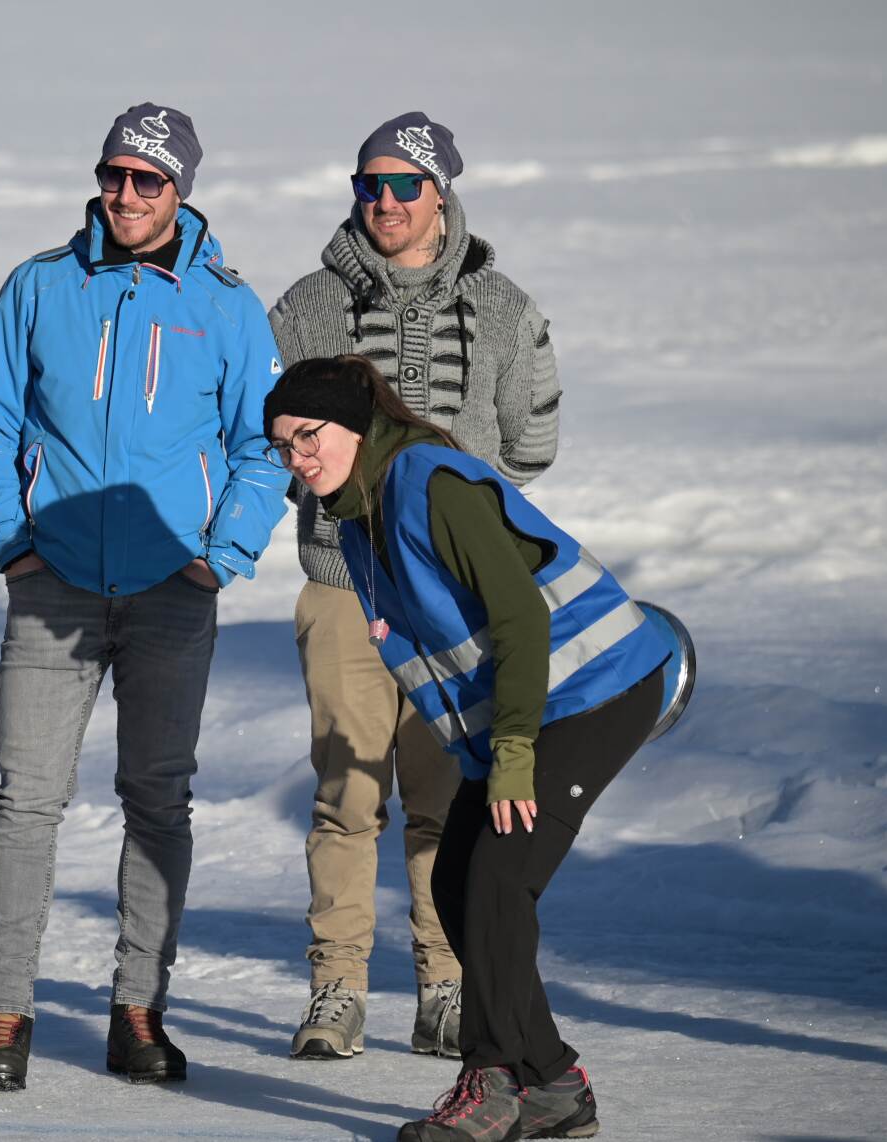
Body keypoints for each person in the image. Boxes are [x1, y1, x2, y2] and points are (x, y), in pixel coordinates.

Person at [0, 102, 288, 1092]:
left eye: (148, 179)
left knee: (157, 800)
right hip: (51, 583)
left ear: (180, 189)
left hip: (171, 591)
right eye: (113, 174)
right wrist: (9, 541)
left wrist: (220, 555)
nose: (126, 193)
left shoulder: (226, 305)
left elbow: (262, 443)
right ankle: (3, 1014)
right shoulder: (39, 285)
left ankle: (138, 1008)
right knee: (26, 802)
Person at [263, 355, 669, 1142]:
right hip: (529, 709)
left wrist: (511, 756)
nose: (297, 458)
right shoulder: (358, 519)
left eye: (308, 435)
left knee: (497, 884)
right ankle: (552, 1083)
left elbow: (520, 617)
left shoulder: (429, 484)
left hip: (597, 688)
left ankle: (491, 1081)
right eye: (283, 446)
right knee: (457, 883)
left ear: (355, 426)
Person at [266, 111, 562, 1060]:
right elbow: (263, 433)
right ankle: (337, 989)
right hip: (343, 585)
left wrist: (463, 511)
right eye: (370, 185)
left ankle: (445, 983)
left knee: (446, 798)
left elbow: (534, 443)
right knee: (346, 796)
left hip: (453, 601)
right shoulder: (309, 306)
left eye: (404, 185)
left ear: (441, 194)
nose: (385, 202)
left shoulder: (504, 309)